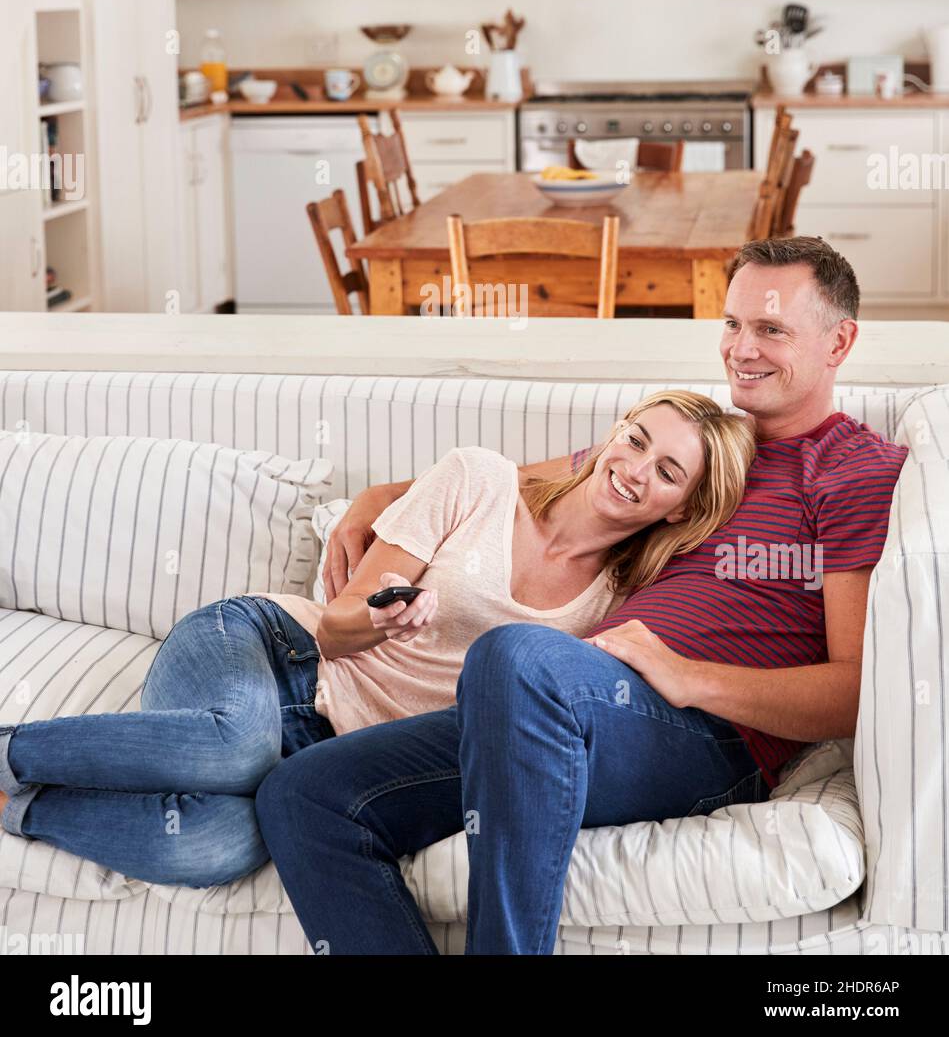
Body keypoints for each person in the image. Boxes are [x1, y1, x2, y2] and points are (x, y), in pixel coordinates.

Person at [255, 235, 909, 955]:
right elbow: (527, 483)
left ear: (838, 342)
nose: (741, 349)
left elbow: (852, 694)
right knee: (303, 795)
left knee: (515, 653)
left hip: (697, 736)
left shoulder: (850, 472)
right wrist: (376, 499)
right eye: (731, 324)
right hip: (555, 707)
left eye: (771, 329)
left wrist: (689, 679)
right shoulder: (693, 446)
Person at [0, 391, 752, 888]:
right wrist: (381, 617)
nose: (633, 469)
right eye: (635, 439)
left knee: (216, 844)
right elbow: (334, 623)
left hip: (328, 753)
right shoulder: (478, 480)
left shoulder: (615, 606)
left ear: (679, 510)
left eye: (665, 471)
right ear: (612, 433)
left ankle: (13, 806)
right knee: (236, 747)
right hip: (271, 652)